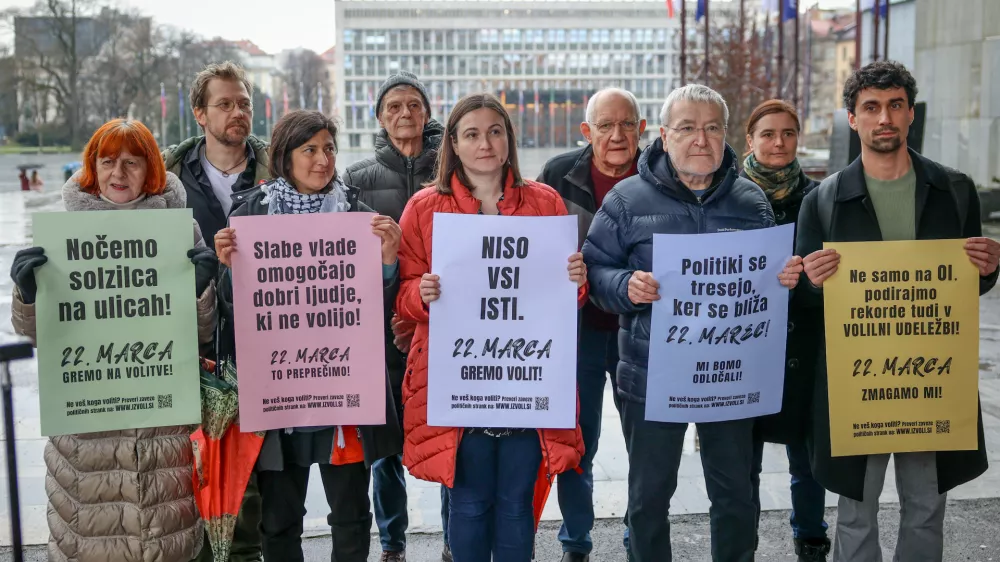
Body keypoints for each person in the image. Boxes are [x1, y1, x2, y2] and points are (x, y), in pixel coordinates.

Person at [582, 84, 803, 562]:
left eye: (712, 128)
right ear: (663, 135)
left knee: (735, 497)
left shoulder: (752, 202)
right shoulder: (625, 201)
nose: (700, 140)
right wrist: (625, 286)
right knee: (647, 501)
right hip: (651, 378)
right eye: (686, 128)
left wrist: (785, 276)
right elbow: (593, 270)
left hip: (729, 377)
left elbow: (770, 280)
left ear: (725, 136)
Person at [796, 60, 1000, 562]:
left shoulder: (953, 190)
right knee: (856, 511)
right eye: (871, 108)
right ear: (852, 118)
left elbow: (964, 286)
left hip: (930, 382)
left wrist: (990, 268)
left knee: (926, 505)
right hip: (857, 384)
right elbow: (804, 295)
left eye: (894, 106)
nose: (883, 117)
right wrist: (811, 280)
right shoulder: (822, 200)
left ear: (910, 114)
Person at [9, 118, 217, 562]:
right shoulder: (62, 234)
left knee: (164, 541)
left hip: (162, 430)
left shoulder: (183, 232)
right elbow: (36, 335)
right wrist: (27, 295)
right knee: (94, 543)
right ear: (92, 167)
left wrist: (202, 290)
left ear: (152, 170)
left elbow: (202, 334)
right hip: (88, 438)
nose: (118, 173)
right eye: (107, 161)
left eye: (131, 162)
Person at [396, 92, 586, 562]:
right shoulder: (423, 209)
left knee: (518, 507)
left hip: (526, 381)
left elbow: (564, 301)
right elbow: (399, 298)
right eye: (473, 134)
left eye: (495, 132)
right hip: (457, 382)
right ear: (454, 145)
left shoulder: (545, 202)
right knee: (469, 503)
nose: (486, 143)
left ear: (509, 141)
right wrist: (419, 295)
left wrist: (576, 282)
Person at [213, 110, 403, 562]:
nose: (323, 160)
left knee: (352, 516)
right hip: (281, 400)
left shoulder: (359, 216)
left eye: (330, 149)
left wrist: (389, 261)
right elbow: (233, 310)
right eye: (310, 149)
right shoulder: (250, 214)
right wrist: (226, 271)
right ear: (285, 156)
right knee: (278, 522)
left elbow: (377, 306)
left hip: (341, 400)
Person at [537, 86, 645, 562]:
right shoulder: (559, 175)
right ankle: (575, 542)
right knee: (577, 443)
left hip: (639, 331)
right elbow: (530, 238)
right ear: (587, 131)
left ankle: (636, 535)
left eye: (627, 124)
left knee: (645, 444)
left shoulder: (660, 174)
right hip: (575, 331)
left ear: (643, 129)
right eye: (606, 125)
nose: (617, 135)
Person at [342, 70, 444, 562]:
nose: (405, 114)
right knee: (385, 448)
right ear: (380, 117)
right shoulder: (358, 178)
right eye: (394, 107)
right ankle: (392, 541)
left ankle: (454, 538)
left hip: (441, 324)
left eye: (414, 105)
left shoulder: (452, 167)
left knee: (448, 436)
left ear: (427, 111)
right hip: (379, 329)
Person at [741, 100, 830, 561]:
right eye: (769, 134)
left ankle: (811, 534)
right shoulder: (729, 195)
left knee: (806, 456)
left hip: (805, 340)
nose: (779, 143)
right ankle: (743, 539)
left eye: (789, 134)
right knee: (743, 461)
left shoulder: (821, 196)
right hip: (745, 344)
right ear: (750, 140)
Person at [163, 61, 271, 244]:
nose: (238, 113)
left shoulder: (278, 168)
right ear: (200, 114)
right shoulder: (170, 171)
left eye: (245, 104)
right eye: (225, 104)